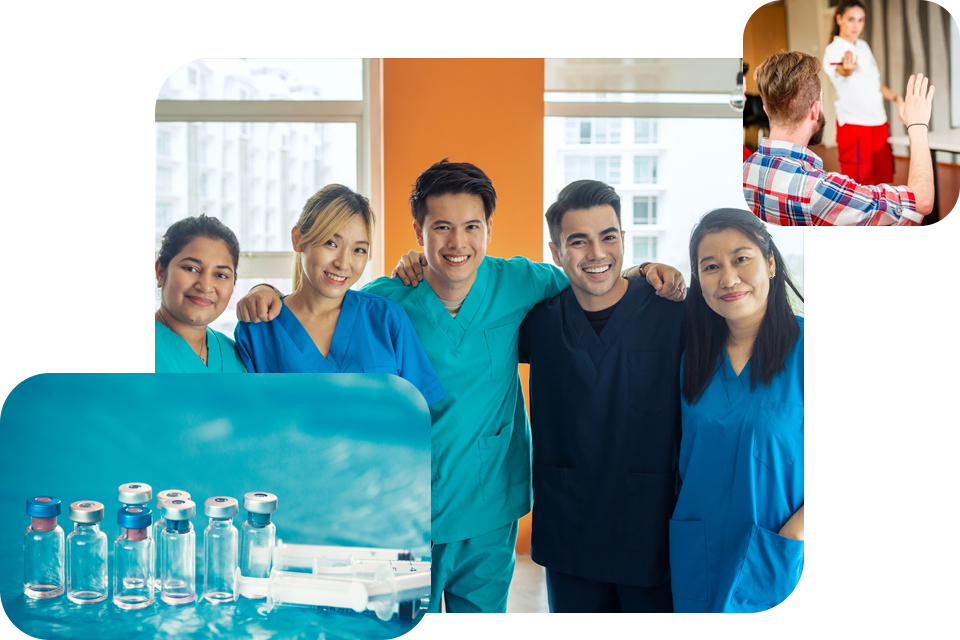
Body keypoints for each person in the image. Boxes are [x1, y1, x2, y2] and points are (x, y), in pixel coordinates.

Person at [236, 160, 686, 613]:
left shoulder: (521, 281)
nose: (458, 242)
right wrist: (266, 292)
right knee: (407, 627)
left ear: (489, 228)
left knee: (484, 626)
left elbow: (593, 277)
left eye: (472, 226)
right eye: (442, 228)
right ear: (419, 232)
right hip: (405, 511)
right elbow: (326, 314)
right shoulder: (387, 303)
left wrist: (645, 271)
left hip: (489, 506)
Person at [518, 180, 684, 613]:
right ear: (556, 253)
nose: (597, 253)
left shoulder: (672, 310)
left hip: (650, 532)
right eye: (579, 241)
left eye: (608, 236)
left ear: (624, 240)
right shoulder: (536, 321)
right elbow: (461, 304)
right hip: (571, 532)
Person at [669, 208, 811, 612]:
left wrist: (804, 526)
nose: (728, 278)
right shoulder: (692, 361)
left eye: (741, 258)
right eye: (710, 266)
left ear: (769, 262)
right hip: (701, 554)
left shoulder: (820, 347)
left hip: (783, 552)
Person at [232, 184, 445, 404]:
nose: (343, 263)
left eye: (359, 250)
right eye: (331, 243)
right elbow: (248, 421)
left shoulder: (386, 319)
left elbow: (419, 414)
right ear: (298, 239)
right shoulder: (257, 328)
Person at [743, 51, 935, 225]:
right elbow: (921, 201)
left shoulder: (744, 168)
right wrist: (917, 125)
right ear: (815, 110)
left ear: (766, 109)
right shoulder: (818, 190)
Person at [154, 214, 247, 373]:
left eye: (221, 275)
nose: (205, 287)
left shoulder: (237, 356)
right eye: (191, 269)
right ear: (161, 272)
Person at [824, 0, 900, 185]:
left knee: (885, 179)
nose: (856, 25)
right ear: (839, 19)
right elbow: (843, 70)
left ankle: (883, 214)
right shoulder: (834, 50)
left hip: (879, 122)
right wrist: (847, 69)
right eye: (851, 19)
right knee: (860, 184)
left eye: (860, 20)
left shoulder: (863, 47)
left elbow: (874, 84)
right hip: (855, 125)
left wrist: (897, 98)